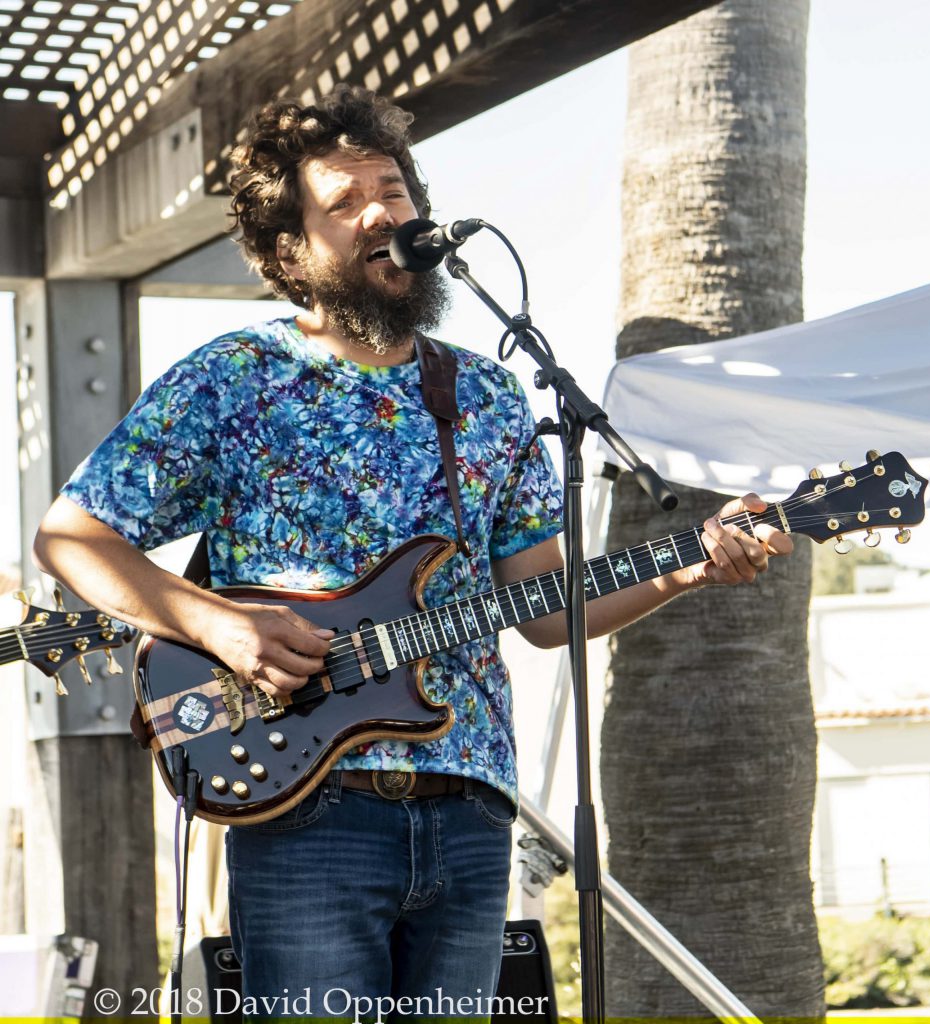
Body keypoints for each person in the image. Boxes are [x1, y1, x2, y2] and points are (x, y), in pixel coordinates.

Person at [32, 85, 793, 1019]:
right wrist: (222, 628)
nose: (381, 213)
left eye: (391, 190)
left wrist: (687, 566)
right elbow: (72, 534)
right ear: (289, 251)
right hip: (307, 800)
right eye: (343, 203)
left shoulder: (488, 396)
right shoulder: (234, 380)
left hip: (470, 801)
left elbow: (545, 609)